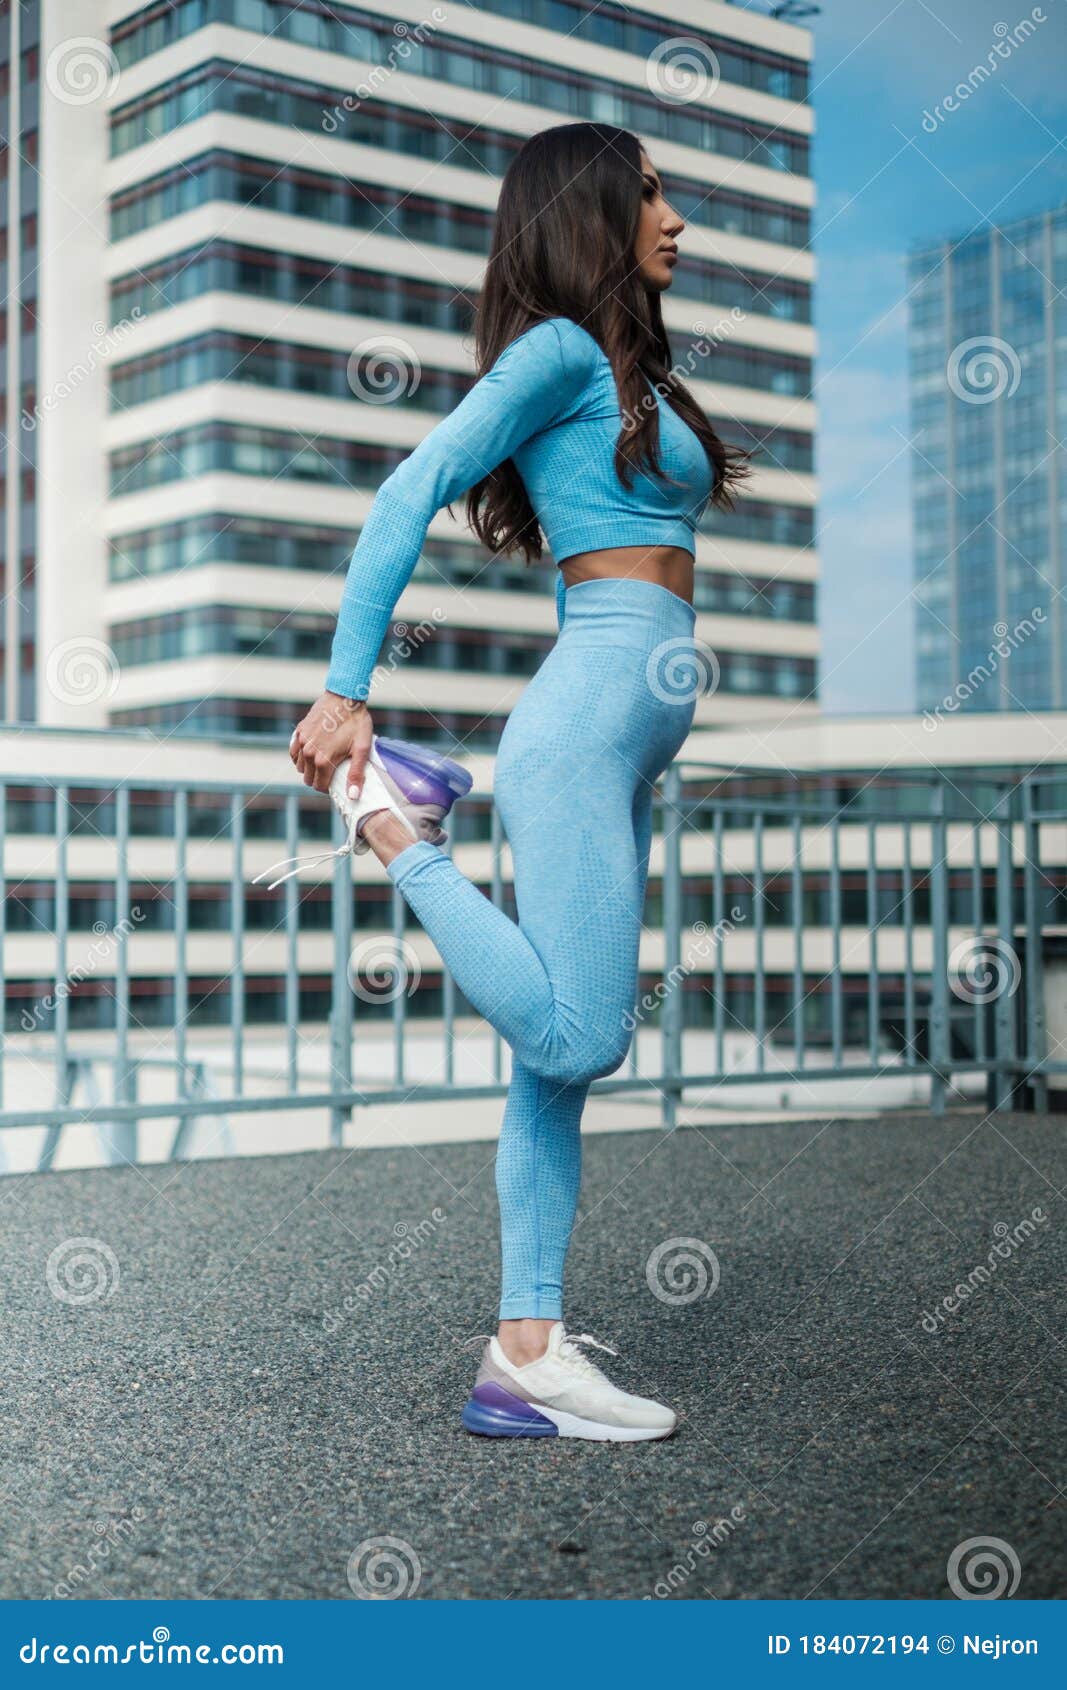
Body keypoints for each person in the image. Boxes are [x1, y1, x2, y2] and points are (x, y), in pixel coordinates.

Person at [288, 122, 748, 1441]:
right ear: (595, 208)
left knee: (554, 1074)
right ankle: (395, 821)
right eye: (653, 192)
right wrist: (346, 687)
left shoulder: (625, 367)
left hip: (628, 737)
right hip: (580, 729)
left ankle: (525, 1354)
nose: (677, 215)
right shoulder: (555, 353)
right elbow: (408, 486)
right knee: (581, 1035)